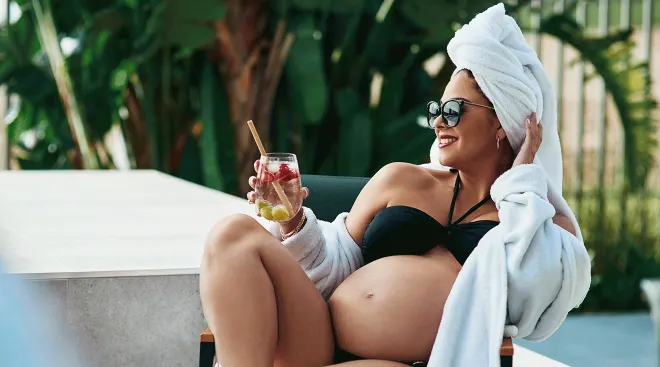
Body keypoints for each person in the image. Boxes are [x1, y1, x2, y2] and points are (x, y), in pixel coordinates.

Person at [199, 4, 590, 367]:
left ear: (501, 123)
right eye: (436, 110)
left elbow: (532, 289)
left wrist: (522, 183)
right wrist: (294, 223)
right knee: (231, 234)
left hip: (410, 360)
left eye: (453, 111)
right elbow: (333, 265)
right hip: (317, 334)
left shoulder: (537, 223)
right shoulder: (402, 179)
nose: (438, 122)